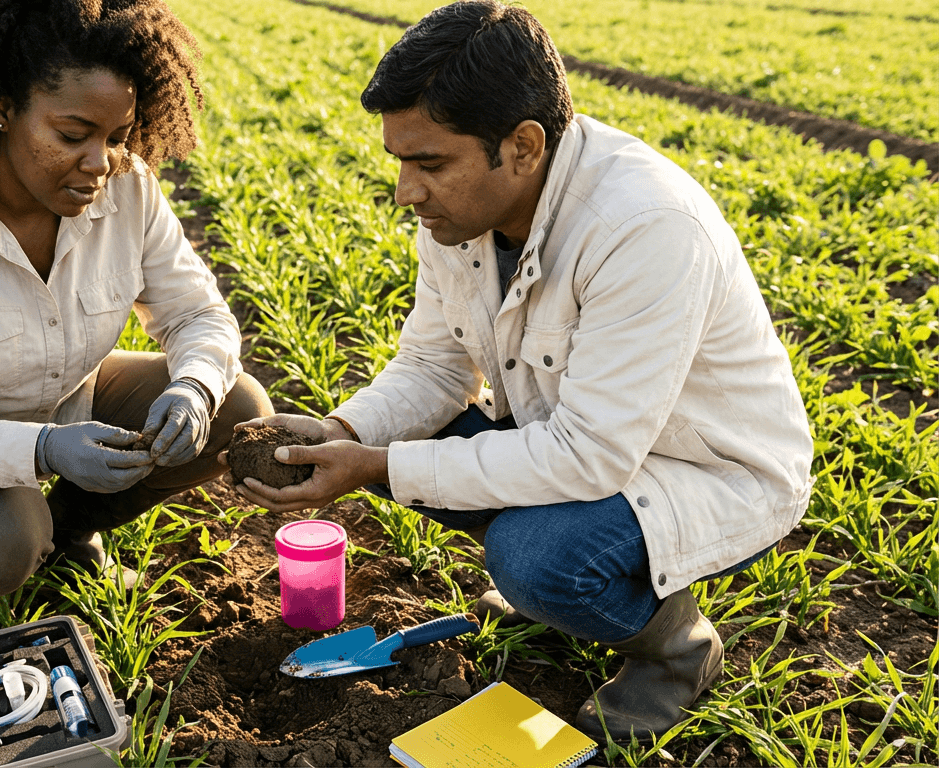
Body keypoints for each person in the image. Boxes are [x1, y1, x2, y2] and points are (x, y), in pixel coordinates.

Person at [229, 0, 813, 742]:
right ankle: (555, 589)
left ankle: (676, 650)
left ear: (525, 146)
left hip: (703, 466)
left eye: (430, 164)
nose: (406, 191)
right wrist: (339, 431)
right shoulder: (461, 216)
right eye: (400, 162)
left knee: (535, 559)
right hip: (579, 437)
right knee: (429, 451)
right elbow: (434, 368)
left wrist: (373, 465)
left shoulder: (643, 228)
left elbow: (592, 453)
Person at [0, 0, 272, 635]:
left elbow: (199, 314)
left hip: (57, 398)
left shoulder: (128, 190)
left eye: (116, 138)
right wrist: (44, 448)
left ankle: (69, 533)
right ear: (4, 108)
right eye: (72, 134)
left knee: (237, 408)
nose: (101, 163)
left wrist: (194, 388)